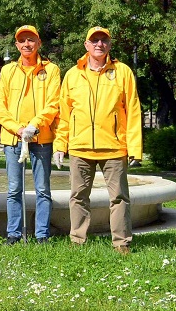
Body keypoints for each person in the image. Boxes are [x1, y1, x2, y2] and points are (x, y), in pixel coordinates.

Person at [54, 26, 142, 255]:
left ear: (109, 45)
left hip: (113, 147)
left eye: (104, 40)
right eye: (94, 40)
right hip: (80, 147)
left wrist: (135, 148)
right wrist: (60, 144)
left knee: (120, 198)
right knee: (78, 197)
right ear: (86, 45)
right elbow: (64, 114)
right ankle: (77, 240)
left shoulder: (122, 72)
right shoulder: (72, 74)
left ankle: (121, 243)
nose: (99, 44)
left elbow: (133, 111)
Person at [0, 25, 61, 244]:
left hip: (40, 137)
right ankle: (13, 233)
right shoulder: (8, 71)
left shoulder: (51, 70)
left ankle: (42, 234)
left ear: (38, 43)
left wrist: (34, 124)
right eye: (22, 41)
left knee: (42, 189)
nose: (26, 44)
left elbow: (53, 103)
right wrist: (18, 128)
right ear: (16, 45)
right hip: (14, 138)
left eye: (31, 40)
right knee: (14, 189)